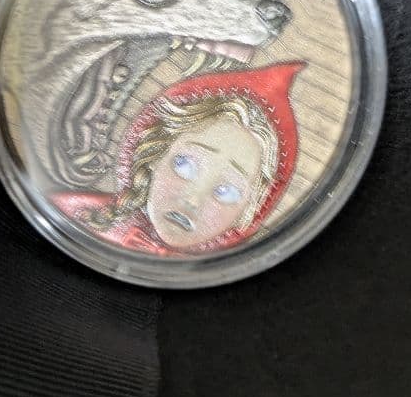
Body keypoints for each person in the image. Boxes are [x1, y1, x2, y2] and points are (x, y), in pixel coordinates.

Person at [52, 61, 304, 255]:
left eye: (226, 191)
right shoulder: (72, 214)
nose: (192, 200)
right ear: (155, 154)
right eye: (184, 165)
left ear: (251, 209)